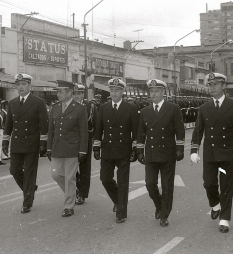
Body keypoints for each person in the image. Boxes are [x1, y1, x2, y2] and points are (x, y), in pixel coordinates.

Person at [190, 72, 233, 233]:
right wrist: (194, 150)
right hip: (211, 153)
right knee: (209, 183)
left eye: (215, 84)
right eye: (210, 84)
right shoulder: (204, 108)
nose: (212, 87)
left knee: (227, 186)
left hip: (229, 152)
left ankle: (224, 219)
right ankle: (215, 204)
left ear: (223, 86)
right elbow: (198, 131)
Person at [136, 79, 185, 227]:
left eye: (157, 91)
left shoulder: (173, 108)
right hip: (151, 153)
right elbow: (140, 133)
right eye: (151, 91)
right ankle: (159, 205)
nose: (154, 94)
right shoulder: (145, 111)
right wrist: (139, 150)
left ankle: (164, 214)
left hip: (168, 153)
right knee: (150, 183)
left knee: (167, 185)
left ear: (163, 92)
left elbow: (179, 130)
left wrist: (180, 148)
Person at [93, 78, 139, 223]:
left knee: (123, 182)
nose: (114, 93)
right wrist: (96, 146)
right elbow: (99, 129)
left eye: (117, 90)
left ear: (122, 92)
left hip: (124, 149)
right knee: (105, 179)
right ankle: (118, 201)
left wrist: (135, 149)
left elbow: (136, 131)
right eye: (112, 90)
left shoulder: (130, 108)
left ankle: (121, 213)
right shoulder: (104, 107)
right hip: (107, 149)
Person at [3, 73, 48, 214]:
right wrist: (5, 140)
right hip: (17, 142)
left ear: (29, 85)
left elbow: (44, 124)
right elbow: (9, 124)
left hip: (32, 143)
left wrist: (43, 142)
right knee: (14, 170)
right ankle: (30, 189)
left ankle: (27, 202)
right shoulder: (12, 103)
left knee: (29, 173)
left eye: (23, 84)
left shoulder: (38, 102)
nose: (20, 87)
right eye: (18, 84)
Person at [47, 80, 88, 217]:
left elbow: (84, 131)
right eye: (57, 92)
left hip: (72, 148)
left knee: (70, 177)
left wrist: (82, 150)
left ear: (69, 92)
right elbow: (51, 130)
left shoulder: (80, 108)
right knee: (55, 174)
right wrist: (48, 148)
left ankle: (69, 206)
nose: (58, 94)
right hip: (57, 148)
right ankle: (73, 192)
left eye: (60, 92)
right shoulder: (55, 108)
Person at [72, 83, 97, 205]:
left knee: (85, 168)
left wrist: (96, 141)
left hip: (86, 140)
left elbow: (96, 124)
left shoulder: (90, 106)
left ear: (83, 94)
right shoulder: (69, 105)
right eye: (75, 94)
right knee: (70, 167)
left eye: (79, 94)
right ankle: (78, 186)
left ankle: (82, 194)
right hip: (71, 140)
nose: (76, 96)